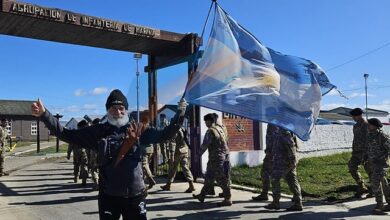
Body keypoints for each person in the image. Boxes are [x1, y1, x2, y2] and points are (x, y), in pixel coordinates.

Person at [31, 89, 187, 220]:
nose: (117, 112)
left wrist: (180, 113)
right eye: (113, 108)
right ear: (107, 110)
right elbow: (66, 134)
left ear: (126, 110)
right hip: (108, 197)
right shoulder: (98, 131)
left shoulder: (139, 130)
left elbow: (165, 134)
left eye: (121, 108)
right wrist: (45, 115)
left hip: (135, 196)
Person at [193, 113, 232, 207]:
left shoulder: (210, 131)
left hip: (217, 158)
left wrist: (197, 155)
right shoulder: (221, 128)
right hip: (225, 156)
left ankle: (228, 199)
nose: (205, 123)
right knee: (209, 177)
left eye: (206, 121)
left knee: (221, 179)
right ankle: (202, 195)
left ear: (210, 121)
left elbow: (205, 145)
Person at [265, 126, 303, 211]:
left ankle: (276, 202)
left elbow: (291, 146)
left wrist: (292, 161)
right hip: (283, 160)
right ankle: (298, 203)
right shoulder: (280, 130)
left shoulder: (284, 131)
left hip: (284, 161)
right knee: (292, 180)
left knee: (275, 178)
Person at [160, 125, 195, 193]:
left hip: (178, 151)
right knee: (185, 168)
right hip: (184, 150)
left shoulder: (175, 129)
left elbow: (173, 142)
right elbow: (186, 138)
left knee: (172, 168)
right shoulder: (182, 127)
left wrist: (172, 155)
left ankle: (168, 185)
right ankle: (191, 185)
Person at [366, 118, 390, 215]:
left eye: (370, 124)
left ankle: (379, 206)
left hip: (382, 163)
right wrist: (366, 157)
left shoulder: (382, 136)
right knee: (383, 182)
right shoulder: (370, 135)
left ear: (375, 125)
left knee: (375, 182)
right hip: (373, 163)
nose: (368, 126)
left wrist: (383, 158)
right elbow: (369, 148)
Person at [348, 108, 372, 198]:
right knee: (352, 167)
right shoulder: (356, 126)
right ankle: (362, 186)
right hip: (356, 152)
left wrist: (368, 153)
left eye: (354, 116)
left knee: (369, 170)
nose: (353, 118)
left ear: (359, 115)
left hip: (365, 152)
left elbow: (369, 140)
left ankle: (374, 190)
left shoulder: (367, 125)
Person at [252, 123, 277, 201]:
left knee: (266, 173)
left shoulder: (274, 125)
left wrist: (271, 153)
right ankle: (296, 197)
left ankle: (268, 196)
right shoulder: (275, 123)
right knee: (288, 175)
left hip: (272, 154)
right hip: (274, 153)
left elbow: (274, 140)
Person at [67, 120, 89, 186]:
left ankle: (76, 178)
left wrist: (68, 153)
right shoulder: (86, 134)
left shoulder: (74, 134)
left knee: (76, 165)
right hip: (83, 152)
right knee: (84, 165)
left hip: (76, 153)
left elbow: (70, 144)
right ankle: (84, 180)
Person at [88, 118, 101, 189]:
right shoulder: (104, 130)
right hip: (103, 153)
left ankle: (96, 183)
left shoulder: (93, 132)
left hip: (94, 152)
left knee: (94, 168)